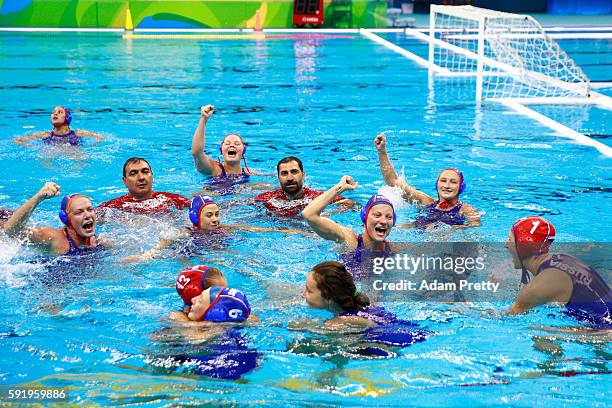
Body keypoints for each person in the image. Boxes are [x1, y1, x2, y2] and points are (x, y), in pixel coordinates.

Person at [122, 195, 309, 261]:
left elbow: (258, 230)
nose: (215, 219)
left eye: (217, 214)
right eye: (209, 215)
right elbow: (164, 243)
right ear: (196, 218)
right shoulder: (186, 233)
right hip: (193, 255)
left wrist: (294, 232)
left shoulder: (225, 228)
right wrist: (145, 256)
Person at [505, 216, 611, 328]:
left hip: (606, 335)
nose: (506, 245)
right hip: (602, 324)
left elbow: (507, 318)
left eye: (510, 240)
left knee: (540, 332)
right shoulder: (563, 259)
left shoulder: (538, 286)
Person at [301, 261, 427, 347]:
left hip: (401, 345)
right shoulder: (363, 302)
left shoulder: (338, 322)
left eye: (309, 290)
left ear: (329, 299)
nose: (303, 294)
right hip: (417, 333)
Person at [374, 134, 480, 229]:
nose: (447, 185)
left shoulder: (466, 210)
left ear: (460, 187)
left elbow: (474, 228)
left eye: (453, 182)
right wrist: (381, 151)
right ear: (437, 185)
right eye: (443, 181)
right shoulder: (426, 202)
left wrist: (450, 230)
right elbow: (394, 182)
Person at [302, 176, 395, 275]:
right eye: (377, 215)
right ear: (365, 217)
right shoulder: (349, 241)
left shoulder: (391, 250)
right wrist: (340, 187)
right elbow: (309, 214)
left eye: (389, 217)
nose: (384, 221)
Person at [3, 182, 107, 256]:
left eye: (90, 209)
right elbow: (11, 231)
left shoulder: (101, 242)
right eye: (79, 212)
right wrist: (38, 198)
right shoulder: (53, 238)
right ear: (66, 219)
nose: (87, 215)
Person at [253, 156, 354, 217]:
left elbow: (350, 204)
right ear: (278, 178)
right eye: (284, 173)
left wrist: (327, 214)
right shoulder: (268, 198)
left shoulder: (316, 196)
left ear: (303, 175)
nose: (289, 178)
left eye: (294, 172)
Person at [191, 105, 252, 194]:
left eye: (237, 143)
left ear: (243, 150)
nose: (232, 145)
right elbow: (197, 153)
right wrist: (204, 119)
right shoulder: (214, 169)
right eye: (227, 143)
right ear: (221, 150)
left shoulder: (248, 173)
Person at [99, 157, 189, 214]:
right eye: (133, 173)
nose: (141, 177)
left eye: (145, 172)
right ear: (124, 181)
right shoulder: (112, 206)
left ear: (152, 176)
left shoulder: (172, 199)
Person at [13, 106, 104, 147]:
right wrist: (30, 145)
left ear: (67, 118)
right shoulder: (44, 135)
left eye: (60, 112)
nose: (55, 114)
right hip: (51, 154)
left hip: (73, 154)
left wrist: (92, 145)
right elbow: (17, 140)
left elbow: (102, 138)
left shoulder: (78, 133)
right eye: (53, 112)